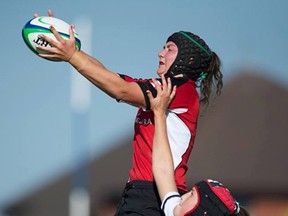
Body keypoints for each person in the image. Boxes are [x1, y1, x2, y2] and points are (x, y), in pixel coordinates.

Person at [34, 10, 223, 215]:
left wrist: (72, 56)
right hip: (141, 194)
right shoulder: (162, 87)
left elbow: (120, 89)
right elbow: (109, 76)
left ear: (189, 60)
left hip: (155, 195)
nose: (160, 53)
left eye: (169, 49)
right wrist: (71, 49)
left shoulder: (180, 90)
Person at [148, 75, 250, 216]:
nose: (182, 196)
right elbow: (162, 169)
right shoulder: (175, 211)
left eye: (191, 195)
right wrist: (159, 113)